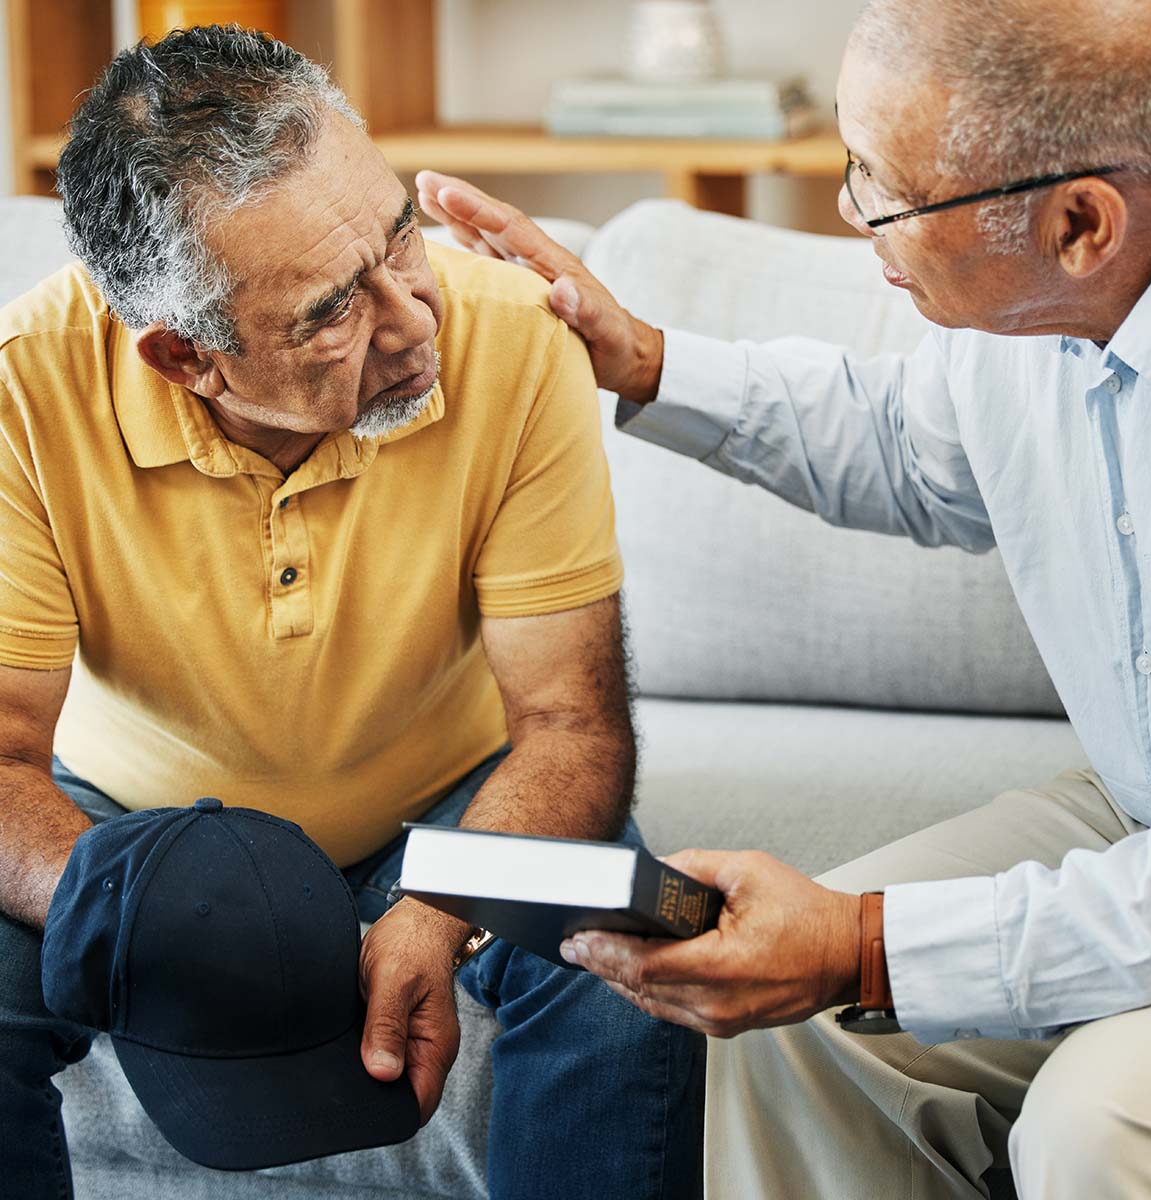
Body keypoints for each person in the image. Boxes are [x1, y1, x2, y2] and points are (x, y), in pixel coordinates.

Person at [416, 0, 1151, 1196]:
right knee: (776, 1010)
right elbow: (920, 450)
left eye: (885, 187)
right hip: (1146, 804)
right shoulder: (1034, 311)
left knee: (1100, 1129)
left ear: (1080, 224)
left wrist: (866, 946)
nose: (849, 210)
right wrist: (642, 358)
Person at [0, 26, 703, 1200]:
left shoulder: (515, 337)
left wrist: (440, 907)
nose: (416, 320)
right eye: (331, 311)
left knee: (639, 950)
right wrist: (149, 912)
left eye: (400, 237)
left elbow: (571, 727)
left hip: (447, 806)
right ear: (186, 358)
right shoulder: (23, 386)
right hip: (139, 822)